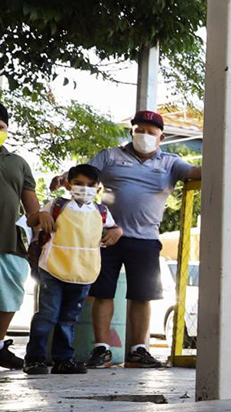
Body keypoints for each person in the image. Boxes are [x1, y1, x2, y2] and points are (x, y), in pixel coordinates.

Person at [56, 110, 200, 369]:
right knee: (103, 294)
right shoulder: (110, 156)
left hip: (145, 239)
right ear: (132, 132)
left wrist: (227, 156)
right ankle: (102, 349)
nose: (144, 135)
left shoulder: (171, 162)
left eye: (150, 132)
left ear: (161, 136)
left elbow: (196, 172)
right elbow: (84, 175)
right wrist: (64, 177)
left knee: (142, 296)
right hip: (106, 236)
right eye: (139, 130)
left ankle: (138, 350)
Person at [24, 164, 122, 374]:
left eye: (90, 185)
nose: (84, 188)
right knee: (47, 316)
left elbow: (113, 228)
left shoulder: (101, 211)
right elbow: (32, 220)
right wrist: (41, 215)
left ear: (97, 188)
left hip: (83, 273)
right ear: (68, 185)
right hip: (53, 269)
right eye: (78, 183)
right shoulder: (57, 205)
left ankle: (63, 359)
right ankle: (34, 359)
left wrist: (118, 231)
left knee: (69, 319)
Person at [0, 103, 41, 370]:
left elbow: (32, 208)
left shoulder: (18, 163)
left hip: (9, 242)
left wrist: (39, 230)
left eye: (1, 127)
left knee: (9, 295)